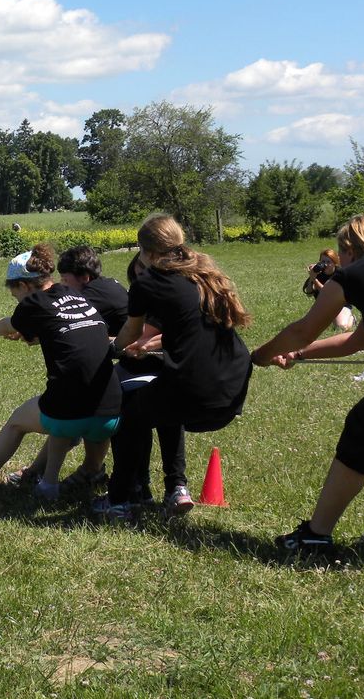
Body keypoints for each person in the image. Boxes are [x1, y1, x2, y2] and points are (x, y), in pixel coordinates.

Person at [252, 214, 364, 555]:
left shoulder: (353, 274)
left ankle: (315, 536)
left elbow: (303, 328)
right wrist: (298, 355)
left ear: (350, 249)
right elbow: (356, 340)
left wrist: (261, 354)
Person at [103, 213, 252, 520]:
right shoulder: (204, 273)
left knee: (129, 413)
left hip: (197, 389)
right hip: (234, 383)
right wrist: (152, 345)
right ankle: (177, 489)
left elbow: (130, 332)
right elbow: (190, 328)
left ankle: (119, 500)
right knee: (163, 401)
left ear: (145, 252)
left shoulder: (149, 281)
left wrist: (112, 349)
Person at [0, 244, 121, 502]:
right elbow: (60, 331)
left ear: (23, 285)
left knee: (16, 422)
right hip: (111, 414)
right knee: (62, 396)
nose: (17, 299)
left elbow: (5, 325)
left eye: (15, 294)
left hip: (69, 415)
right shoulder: (74, 294)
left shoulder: (33, 302)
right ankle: (49, 484)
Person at [303, 248, 355, 332]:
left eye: (328, 262)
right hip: (322, 306)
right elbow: (309, 293)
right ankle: (331, 319)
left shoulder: (340, 274)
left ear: (335, 263)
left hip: (340, 306)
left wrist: (315, 279)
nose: (325, 265)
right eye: (323, 262)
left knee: (341, 327)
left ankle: (352, 319)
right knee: (307, 327)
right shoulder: (318, 273)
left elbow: (327, 292)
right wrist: (311, 278)